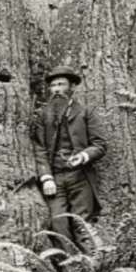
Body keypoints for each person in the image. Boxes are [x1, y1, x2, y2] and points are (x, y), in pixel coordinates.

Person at [31, 65, 107, 250]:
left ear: (71, 87)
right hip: (55, 178)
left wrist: (83, 156)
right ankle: (68, 270)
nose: (56, 89)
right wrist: (46, 176)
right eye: (53, 86)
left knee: (82, 224)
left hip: (80, 177)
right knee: (58, 223)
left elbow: (100, 145)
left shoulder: (86, 112)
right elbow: (39, 148)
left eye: (61, 84)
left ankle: (91, 269)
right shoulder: (43, 115)